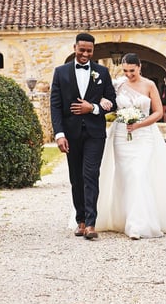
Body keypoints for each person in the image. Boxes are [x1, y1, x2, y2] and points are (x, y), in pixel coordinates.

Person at [95, 53, 166, 239]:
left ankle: (138, 224)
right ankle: (123, 218)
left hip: (144, 135)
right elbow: (108, 102)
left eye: (132, 71)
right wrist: (103, 101)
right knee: (125, 176)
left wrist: (139, 124)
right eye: (126, 71)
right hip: (121, 135)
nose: (129, 74)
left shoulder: (149, 85)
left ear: (139, 67)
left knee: (139, 173)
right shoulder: (118, 84)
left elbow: (158, 112)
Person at [50, 32, 117, 240]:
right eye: (82, 50)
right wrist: (59, 134)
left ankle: (90, 223)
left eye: (89, 51)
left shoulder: (102, 72)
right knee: (76, 178)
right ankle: (79, 219)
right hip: (70, 134)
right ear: (75, 48)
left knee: (90, 175)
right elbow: (56, 105)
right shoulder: (60, 73)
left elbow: (112, 102)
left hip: (95, 134)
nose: (85, 54)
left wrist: (94, 108)